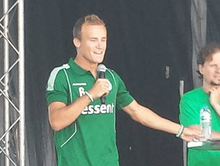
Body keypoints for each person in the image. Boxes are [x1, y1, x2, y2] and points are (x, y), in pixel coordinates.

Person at [46, 14, 201, 166]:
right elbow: (56, 122)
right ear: (77, 42)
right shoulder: (62, 75)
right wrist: (90, 95)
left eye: (103, 40)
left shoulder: (111, 77)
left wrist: (180, 130)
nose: (100, 46)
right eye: (93, 40)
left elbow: (137, 112)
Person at [179, 43, 220, 166]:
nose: (219, 70)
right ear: (201, 69)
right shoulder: (189, 99)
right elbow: (195, 133)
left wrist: (216, 104)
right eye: (213, 65)